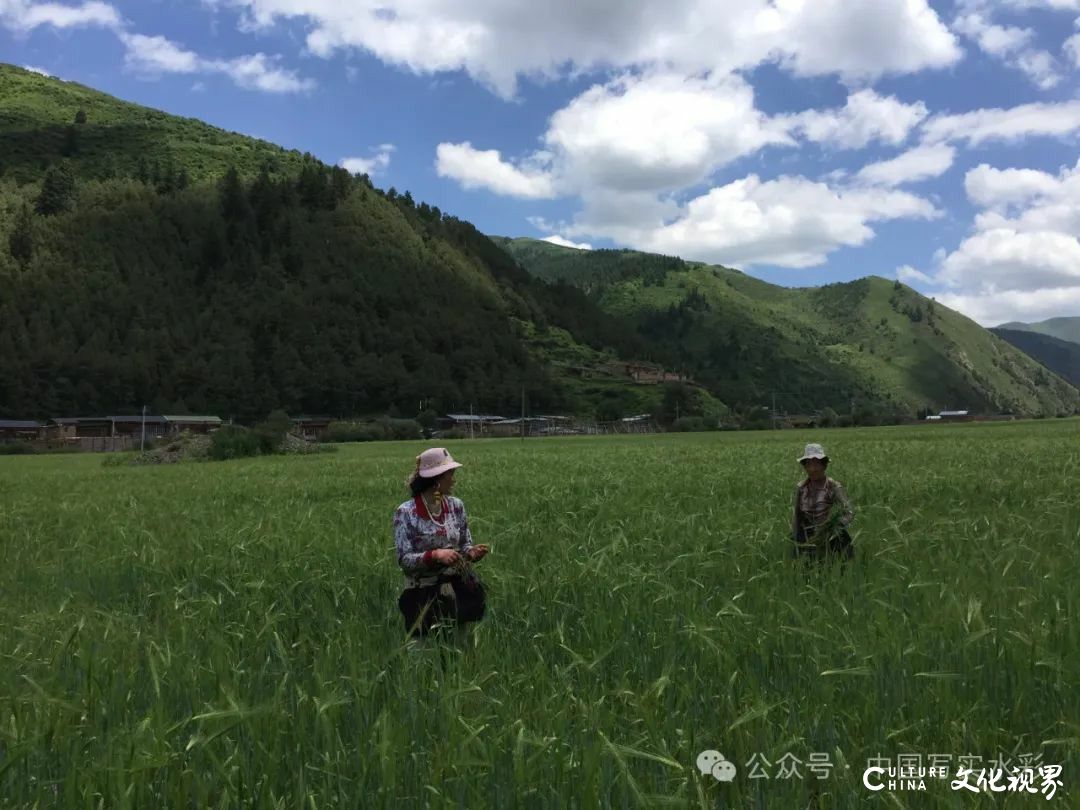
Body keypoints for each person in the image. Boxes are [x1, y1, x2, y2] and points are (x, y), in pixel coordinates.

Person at [394, 447, 490, 641]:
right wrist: (435, 555)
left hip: (457, 592)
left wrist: (471, 553)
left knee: (459, 649)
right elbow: (404, 559)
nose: (454, 479)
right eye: (450, 474)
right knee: (423, 654)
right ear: (436, 479)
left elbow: (464, 544)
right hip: (422, 596)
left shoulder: (456, 506)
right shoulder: (406, 513)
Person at [791, 443, 854, 564]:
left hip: (830, 534)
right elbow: (797, 516)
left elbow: (849, 512)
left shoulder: (832, 486)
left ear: (824, 465)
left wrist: (834, 526)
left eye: (816, 463)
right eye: (809, 464)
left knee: (841, 562)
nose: (812, 469)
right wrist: (795, 536)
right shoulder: (801, 488)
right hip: (807, 534)